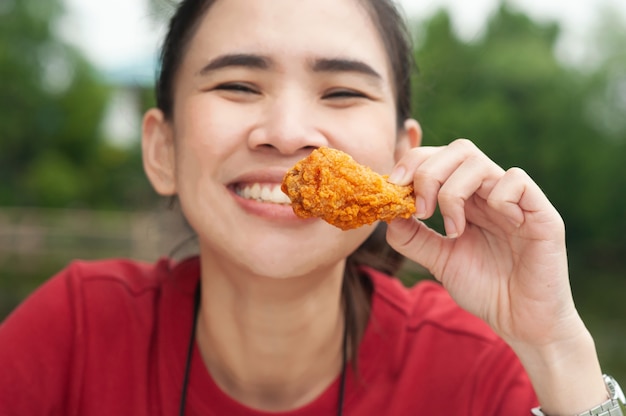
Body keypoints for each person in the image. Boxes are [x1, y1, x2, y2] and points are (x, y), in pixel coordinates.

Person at [0, 0, 623, 415]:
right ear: (163, 148)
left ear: (402, 157)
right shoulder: (76, 334)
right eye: (238, 85)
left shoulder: (472, 371)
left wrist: (555, 347)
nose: (290, 131)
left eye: (343, 91)